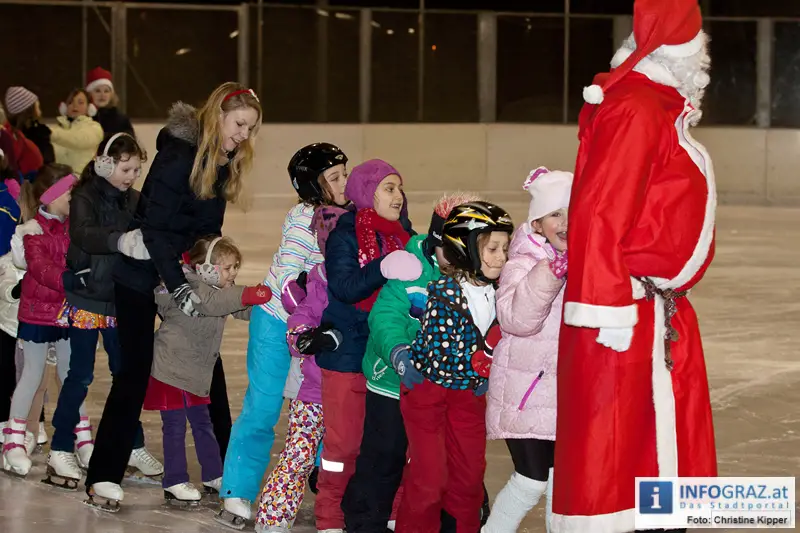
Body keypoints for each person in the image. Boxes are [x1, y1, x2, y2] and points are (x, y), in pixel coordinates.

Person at [553, 1, 717, 532]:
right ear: (685, 53)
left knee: (656, 448)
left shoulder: (657, 107)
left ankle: (662, 520)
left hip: (651, 311)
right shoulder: (638, 108)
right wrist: (608, 312)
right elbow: (600, 211)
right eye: (700, 43)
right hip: (626, 315)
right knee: (622, 454)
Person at [84, 82, 261, 512]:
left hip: (183, 270)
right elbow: (156, 231)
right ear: (218, 113)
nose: (243, 135)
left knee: (207, 360)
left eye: (251, 129)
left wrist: (209, 267)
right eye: (239, 125)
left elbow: (206, 227)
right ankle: (103, 475)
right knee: (135, 369)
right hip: (142, 272)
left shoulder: (222, 160)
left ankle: (224, 470)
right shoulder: (178, 155)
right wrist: (177, 284)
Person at [217, 142, 350, 528]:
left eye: (345, 173)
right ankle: (237, 489)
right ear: (312, 185)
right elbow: (289, 276)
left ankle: (323, 478)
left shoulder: (348, 215)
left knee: (325, 406)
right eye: (335, 177)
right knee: (264, 404)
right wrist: (303, 310)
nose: (345, 182)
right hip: (278, 319)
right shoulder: (303, 217)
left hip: (316, 327)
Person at [343, 191, 481, 533]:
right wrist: (400, 353)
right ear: (436, 242)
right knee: (384, 456)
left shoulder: (475, 277)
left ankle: (452, 521)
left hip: (444, 390)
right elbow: (387, 316)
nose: (458, 260)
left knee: (448, 459)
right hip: (392, 381)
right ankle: (364, 523)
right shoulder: (411, 268)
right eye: (452, 251)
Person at [46, 133, 160, 489]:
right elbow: (82, 234)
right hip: (86, 297)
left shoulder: (136, 200)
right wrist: (118, 240)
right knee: (79, 376)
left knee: (126, 375)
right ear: (106, 163)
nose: (131, 176)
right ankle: (61, 446)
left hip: (122, 299)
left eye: (136, 170)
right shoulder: (84, 196)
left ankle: (131, 444)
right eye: (125, 168)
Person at [313, 159, 420, 533]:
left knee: (394, 443)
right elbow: (342, 288)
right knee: (343, 447)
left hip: (391, 355)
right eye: (388, 188)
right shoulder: (344, 233)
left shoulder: (409, 236)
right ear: (365, 192)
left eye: (399, 188)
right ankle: (330, 515)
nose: (397, 195)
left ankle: (392, 510)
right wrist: (382, 267)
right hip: (349, 353)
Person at [395, 201, 512, 533]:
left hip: (468, 395)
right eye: (492, 248)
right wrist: (487, 362)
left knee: (469, 480)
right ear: (465, 249)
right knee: (430, 479)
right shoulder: (443, 293)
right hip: (428, 393)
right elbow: (450, 355)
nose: (501, 256)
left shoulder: (503, 291)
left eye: (505, 247)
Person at [143, 236, 271, 505]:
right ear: (207, 268)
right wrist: (247, 294)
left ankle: (213, 473)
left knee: (204, 423)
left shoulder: (219, 292)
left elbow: (237, 307)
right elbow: (212, 302)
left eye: (236, 267)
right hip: (170, 368)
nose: (233, 273)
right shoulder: (190, 286)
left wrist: (270, 305)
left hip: (196, 373)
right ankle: (175, 480)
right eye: (227, 268)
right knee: (175, 427)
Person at [483, 168, 572, 533]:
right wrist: (551, 271)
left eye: (571, 211)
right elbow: (517, 320)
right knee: (531, 480)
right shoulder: (521, 263)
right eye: (555, 214)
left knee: (564, 487)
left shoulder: (586, 261)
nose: (565, 222)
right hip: (527, 392)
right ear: (536, 224)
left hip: (567, 394)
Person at [254, 204, 349, 533]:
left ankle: (344, 515)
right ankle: (273, 519)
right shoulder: (316, 281)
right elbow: (301, 316)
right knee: (299, 453)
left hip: (351, 387)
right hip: (312, 390)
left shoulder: (362, 281)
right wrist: (305, 337)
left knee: (347, 456)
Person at [1, 164, 81, 478]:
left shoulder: (74, 225)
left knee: (72, 374)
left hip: (64, 311)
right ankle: (14, 440)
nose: (75, 196)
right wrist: (75, 281)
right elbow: (31, 264)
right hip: (35, 313)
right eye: (70, 190)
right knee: (32, 375)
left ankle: (79, 438)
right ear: (53, 195)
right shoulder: (32, 229)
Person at [52, 89, 104, 174]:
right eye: (70, 102)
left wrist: (51, 134)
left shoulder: (95, 128)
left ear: (89, 107)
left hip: (83, 180)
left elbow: (80, 139)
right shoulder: (56, 129)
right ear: (64, 107)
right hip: (58, 180)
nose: (75, 106)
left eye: (80, 102)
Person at [3, 87, 46, 178]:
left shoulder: (17, 133)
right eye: (36, 105)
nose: (39, 109)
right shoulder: (8, 136)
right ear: (27, 110)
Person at [85, 67, 135, 137]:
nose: (102, 95)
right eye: (97, 91)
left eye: (106, 91)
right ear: (89, 94)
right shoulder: (83, 117)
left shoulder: (121, 120)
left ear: (111, 94)